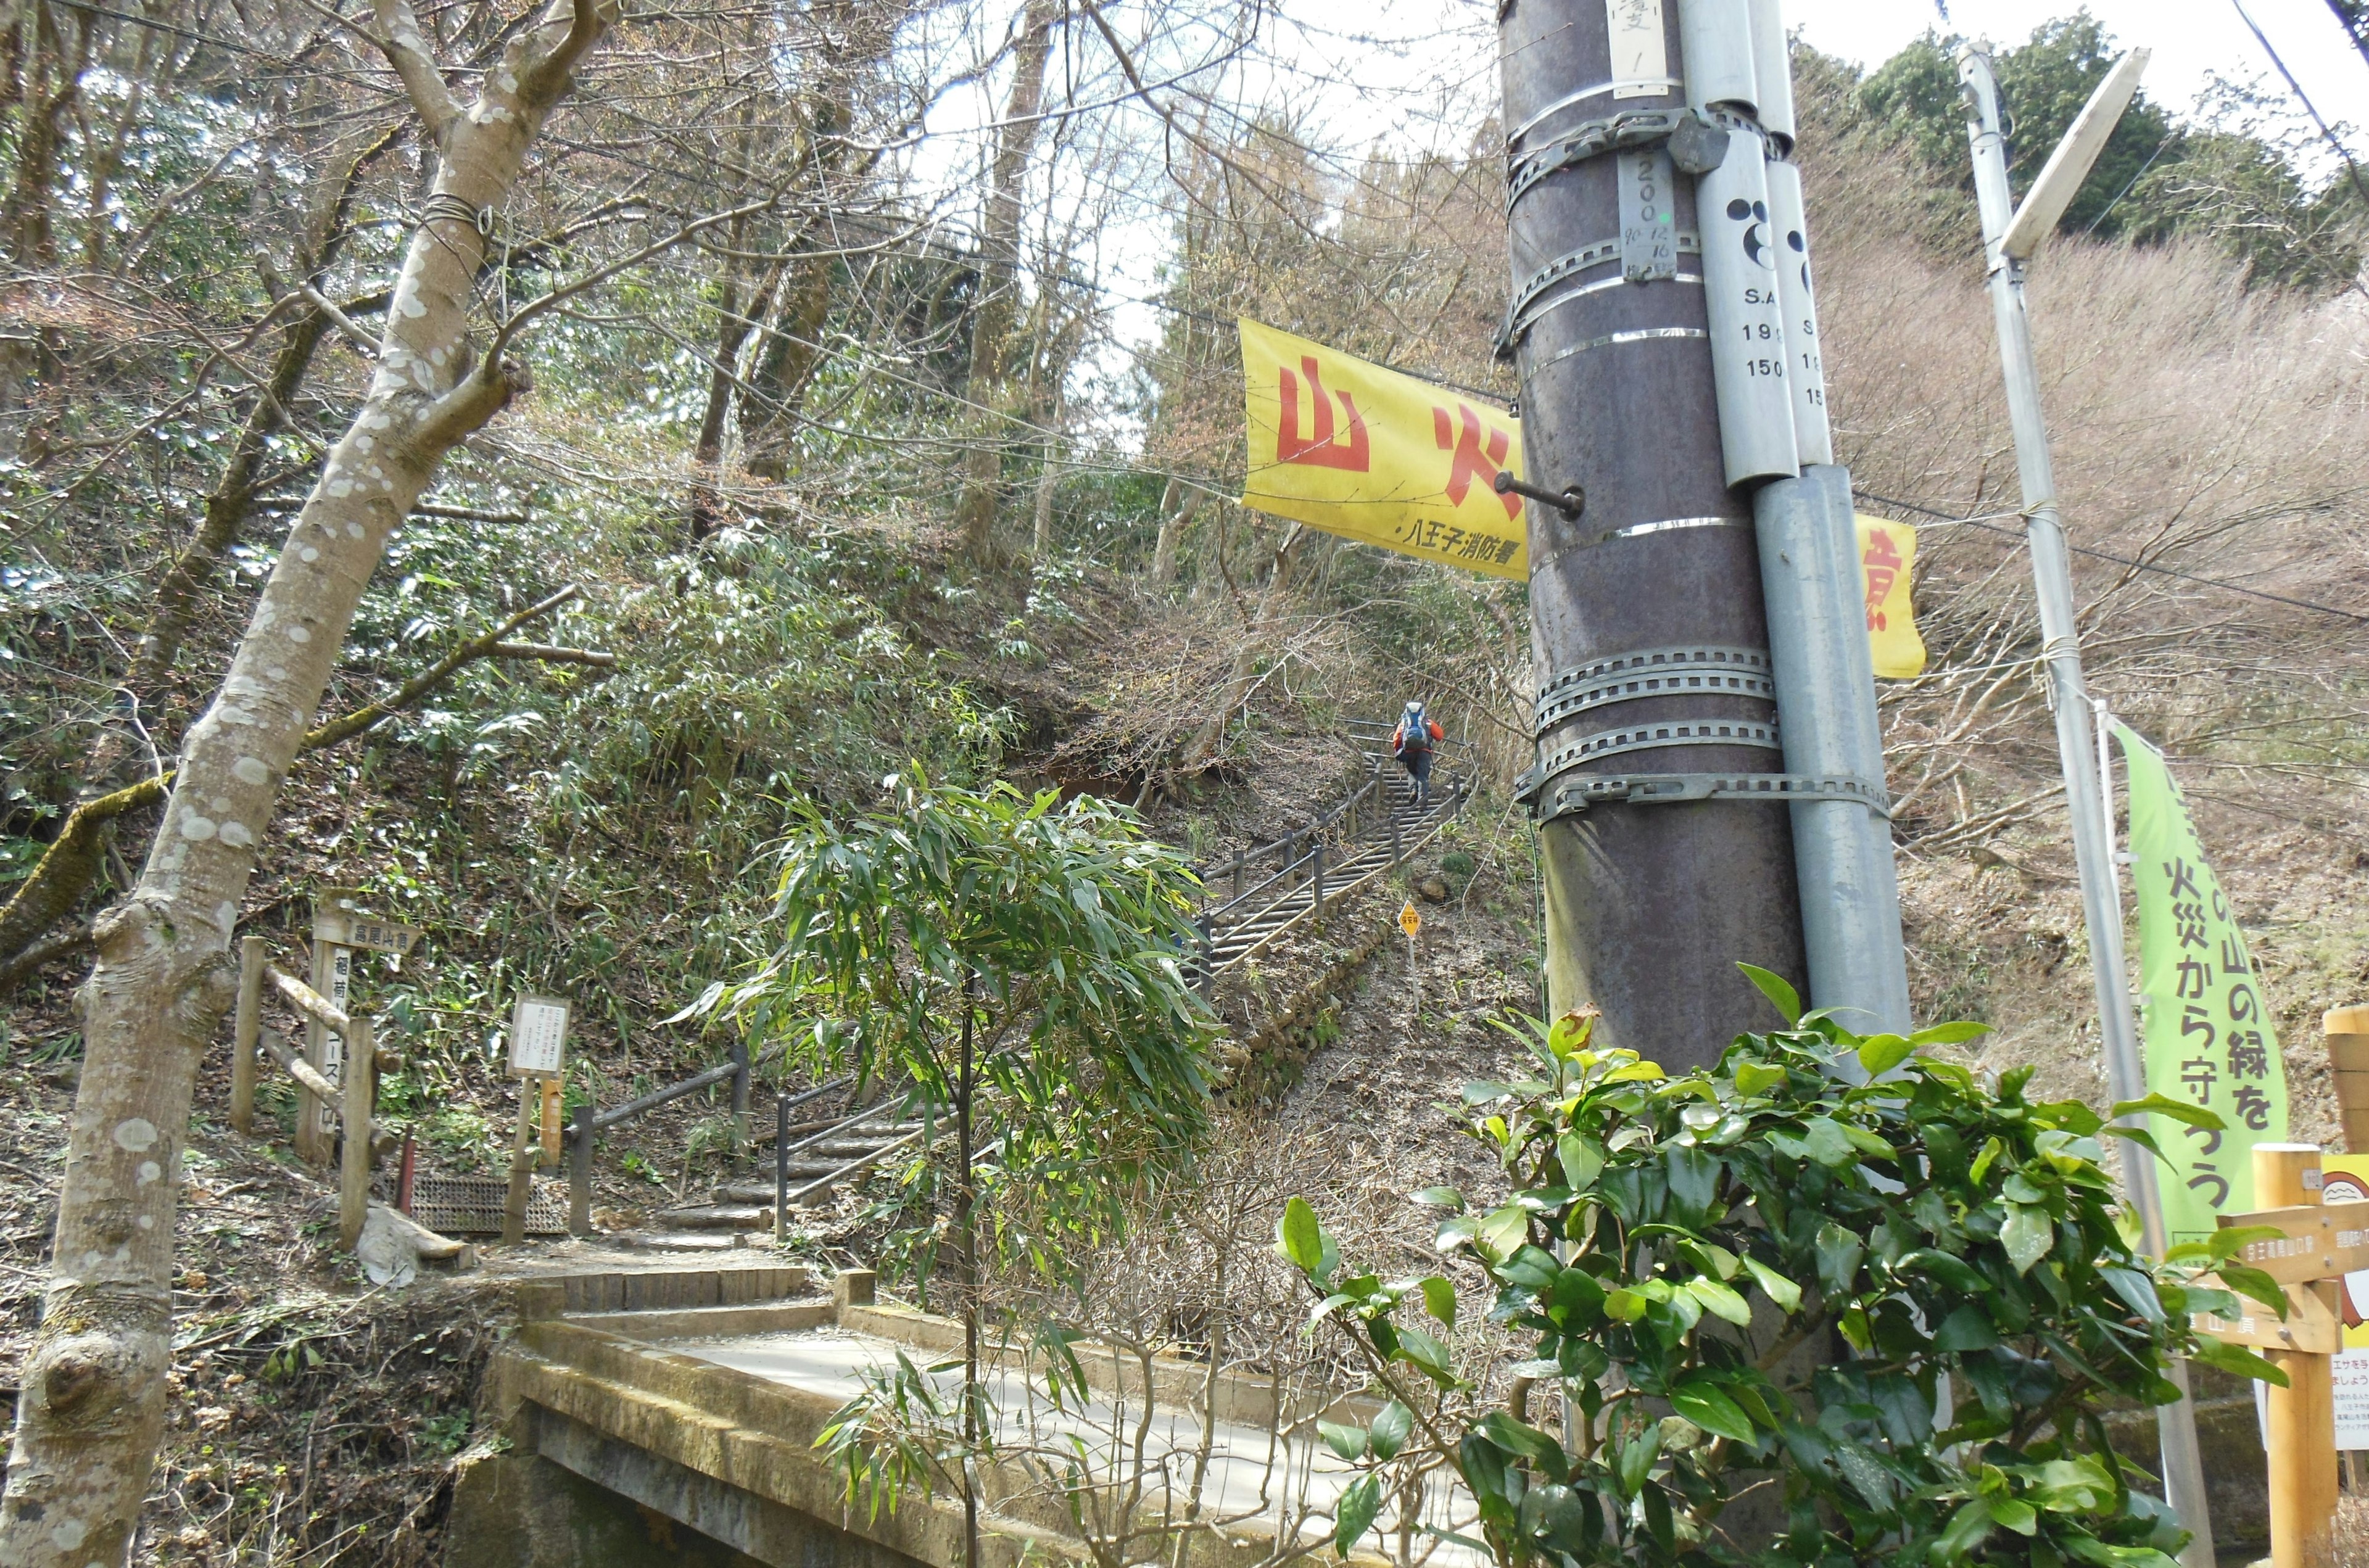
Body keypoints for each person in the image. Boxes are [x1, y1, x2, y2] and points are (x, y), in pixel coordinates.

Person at [1392, 699, 1443, 807]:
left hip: (1408, 751)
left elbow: (1396, 740)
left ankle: (1413, 790)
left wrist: (1398, 750)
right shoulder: (1428, 723)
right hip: (1424, 752)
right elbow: (1439, 736)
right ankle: (1422, 803)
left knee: (1411, 773)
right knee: (1423, 777)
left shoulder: (1404, 724)